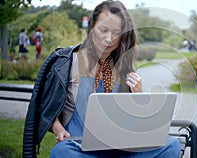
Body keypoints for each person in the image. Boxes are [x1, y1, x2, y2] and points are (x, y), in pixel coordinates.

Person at [22, 1, 181, 158]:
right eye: (103, 30)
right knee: (62, 152)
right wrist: (57, 128)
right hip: (79, 146)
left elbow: (135, 122)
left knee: (171, 145)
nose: (109, 39)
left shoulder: (123, 67)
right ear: (92, 27)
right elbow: (45, 105)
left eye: (116, 33)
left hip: (121, 147)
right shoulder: (68, 62)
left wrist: (139, 95)